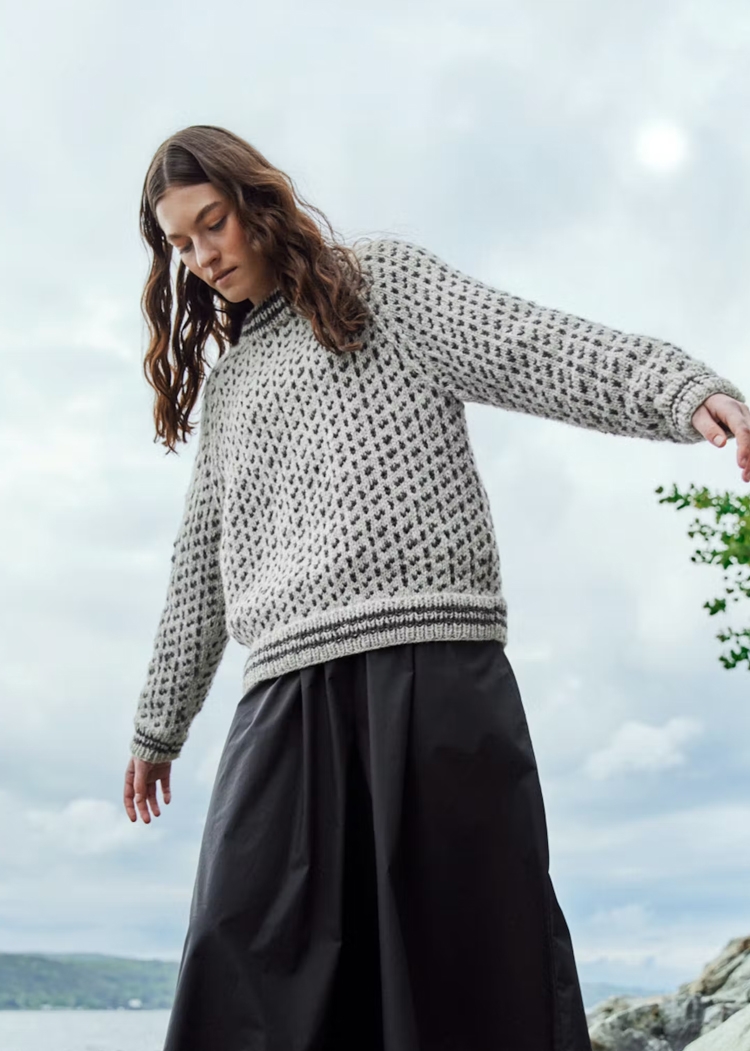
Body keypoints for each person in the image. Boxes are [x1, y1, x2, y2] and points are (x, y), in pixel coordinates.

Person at [121, 124, 750, 1051]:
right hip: (284, 697)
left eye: (212, 223)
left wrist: (678, 389)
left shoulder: (379, 283)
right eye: (181, 243)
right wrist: (157, 725)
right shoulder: (231, 388)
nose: (203, 256)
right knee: (240, 954)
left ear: (257, 202)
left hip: (433, 674)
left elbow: (529, 344)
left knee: (465, 965)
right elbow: (197, 569)